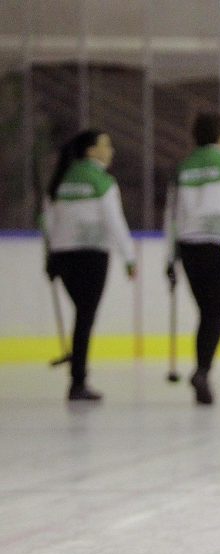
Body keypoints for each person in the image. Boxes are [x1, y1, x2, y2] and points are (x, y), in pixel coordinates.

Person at [164, 112, 220, 404]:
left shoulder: (184, 167)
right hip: (219, 247)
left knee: (205, 311)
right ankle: (202, 370)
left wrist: (170, 257)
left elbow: (172, 216)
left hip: (189, 247)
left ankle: (201, 369)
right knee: (214, 313)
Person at [42, 129, 137, 401]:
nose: (111, 150)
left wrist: (49, 257)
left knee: (81, 316)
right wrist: (129, 257)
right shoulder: (102, 180)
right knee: (85, 317)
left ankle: (78, 372)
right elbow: (114, 221)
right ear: (91, 151)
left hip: (62, 256)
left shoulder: (61, 179)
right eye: (105, 145)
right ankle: (78, 380)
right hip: (92, 256)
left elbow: (47, 220)